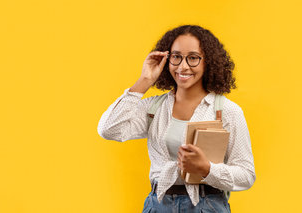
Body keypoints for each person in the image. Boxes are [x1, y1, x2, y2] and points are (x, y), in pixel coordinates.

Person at [97, 25, 255, 212]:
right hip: (158, 205)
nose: (183, 66)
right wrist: (145, 80)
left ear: (208, 62)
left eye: (193, 58)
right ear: (167, 59)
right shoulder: (154, 108)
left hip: (207, 206)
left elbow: (246, 175)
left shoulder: (227, 111)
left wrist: (206, 168)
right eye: (176, 57)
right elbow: (108, 129)